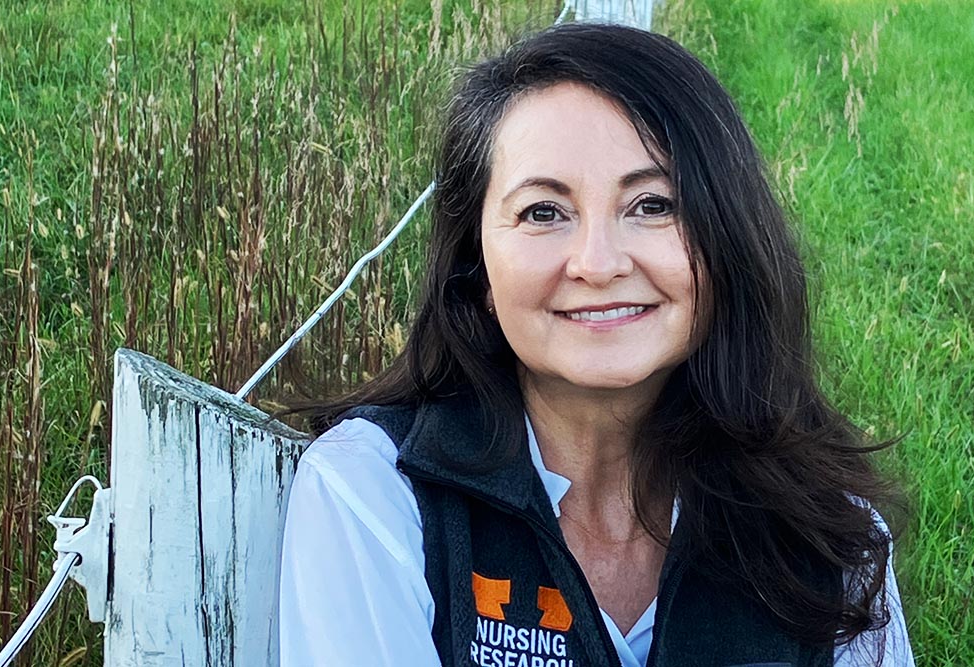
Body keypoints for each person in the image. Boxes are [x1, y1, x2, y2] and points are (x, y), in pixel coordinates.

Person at [279, 22, 915, 667]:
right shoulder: (373, 491)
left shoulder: (828, 528)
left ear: (728, 237)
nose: (598, 263)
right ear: (477, 266)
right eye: (544, 212)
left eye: (652, 204)